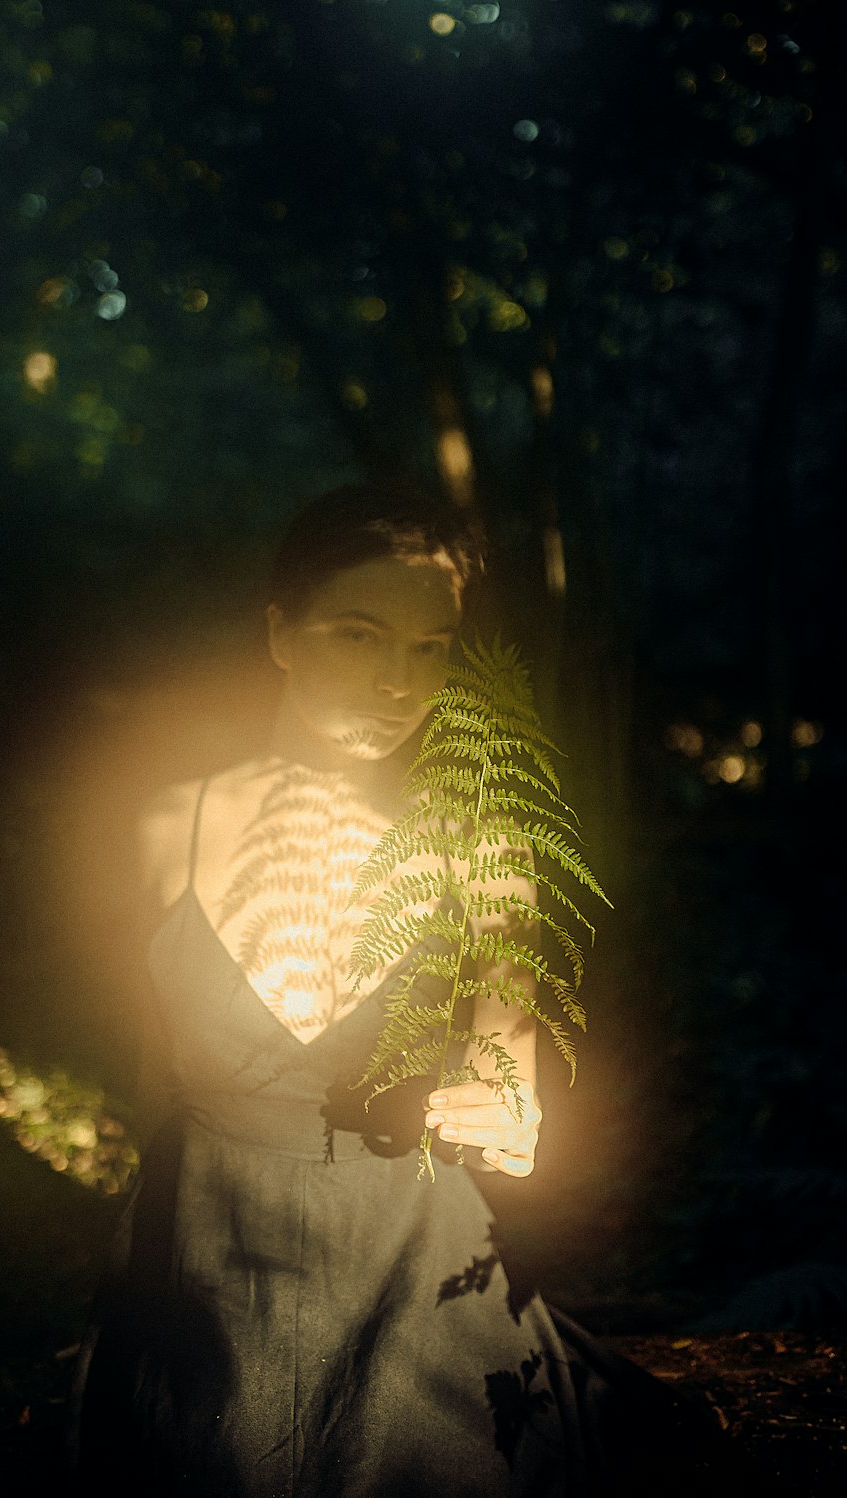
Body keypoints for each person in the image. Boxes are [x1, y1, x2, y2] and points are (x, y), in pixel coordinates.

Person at [69, 484, 750, 1496]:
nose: (399, 679)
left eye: (430, 647)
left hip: (408, 1281)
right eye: (359, 633)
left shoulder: (482, 842)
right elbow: (146, 1067)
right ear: (280, 632)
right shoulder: (168, 825)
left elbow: (507, 1063)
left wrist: (513, 1118)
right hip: (208, 1267)